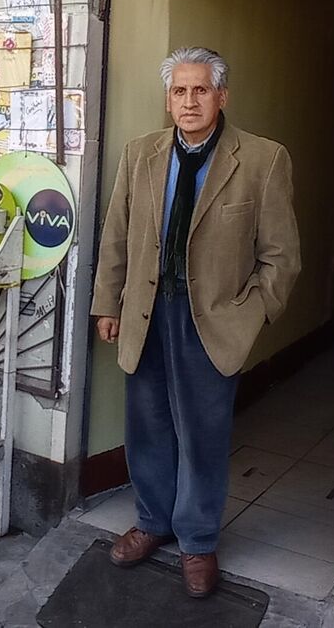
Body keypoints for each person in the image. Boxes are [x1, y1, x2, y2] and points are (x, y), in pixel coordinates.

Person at [90, 47, 301, 599]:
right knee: (147, 426)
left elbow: (282, 257)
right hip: (146, 311)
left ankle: (198, 541)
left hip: (213, 320)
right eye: (179, 91)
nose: (189, 101)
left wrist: (251, 314)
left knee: (204, 436)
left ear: (221, 96)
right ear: (168, 99)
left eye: (200, 90)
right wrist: (107, 304)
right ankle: (152, 521)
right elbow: (117, 235)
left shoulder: (262, 159)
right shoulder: (141, 155)